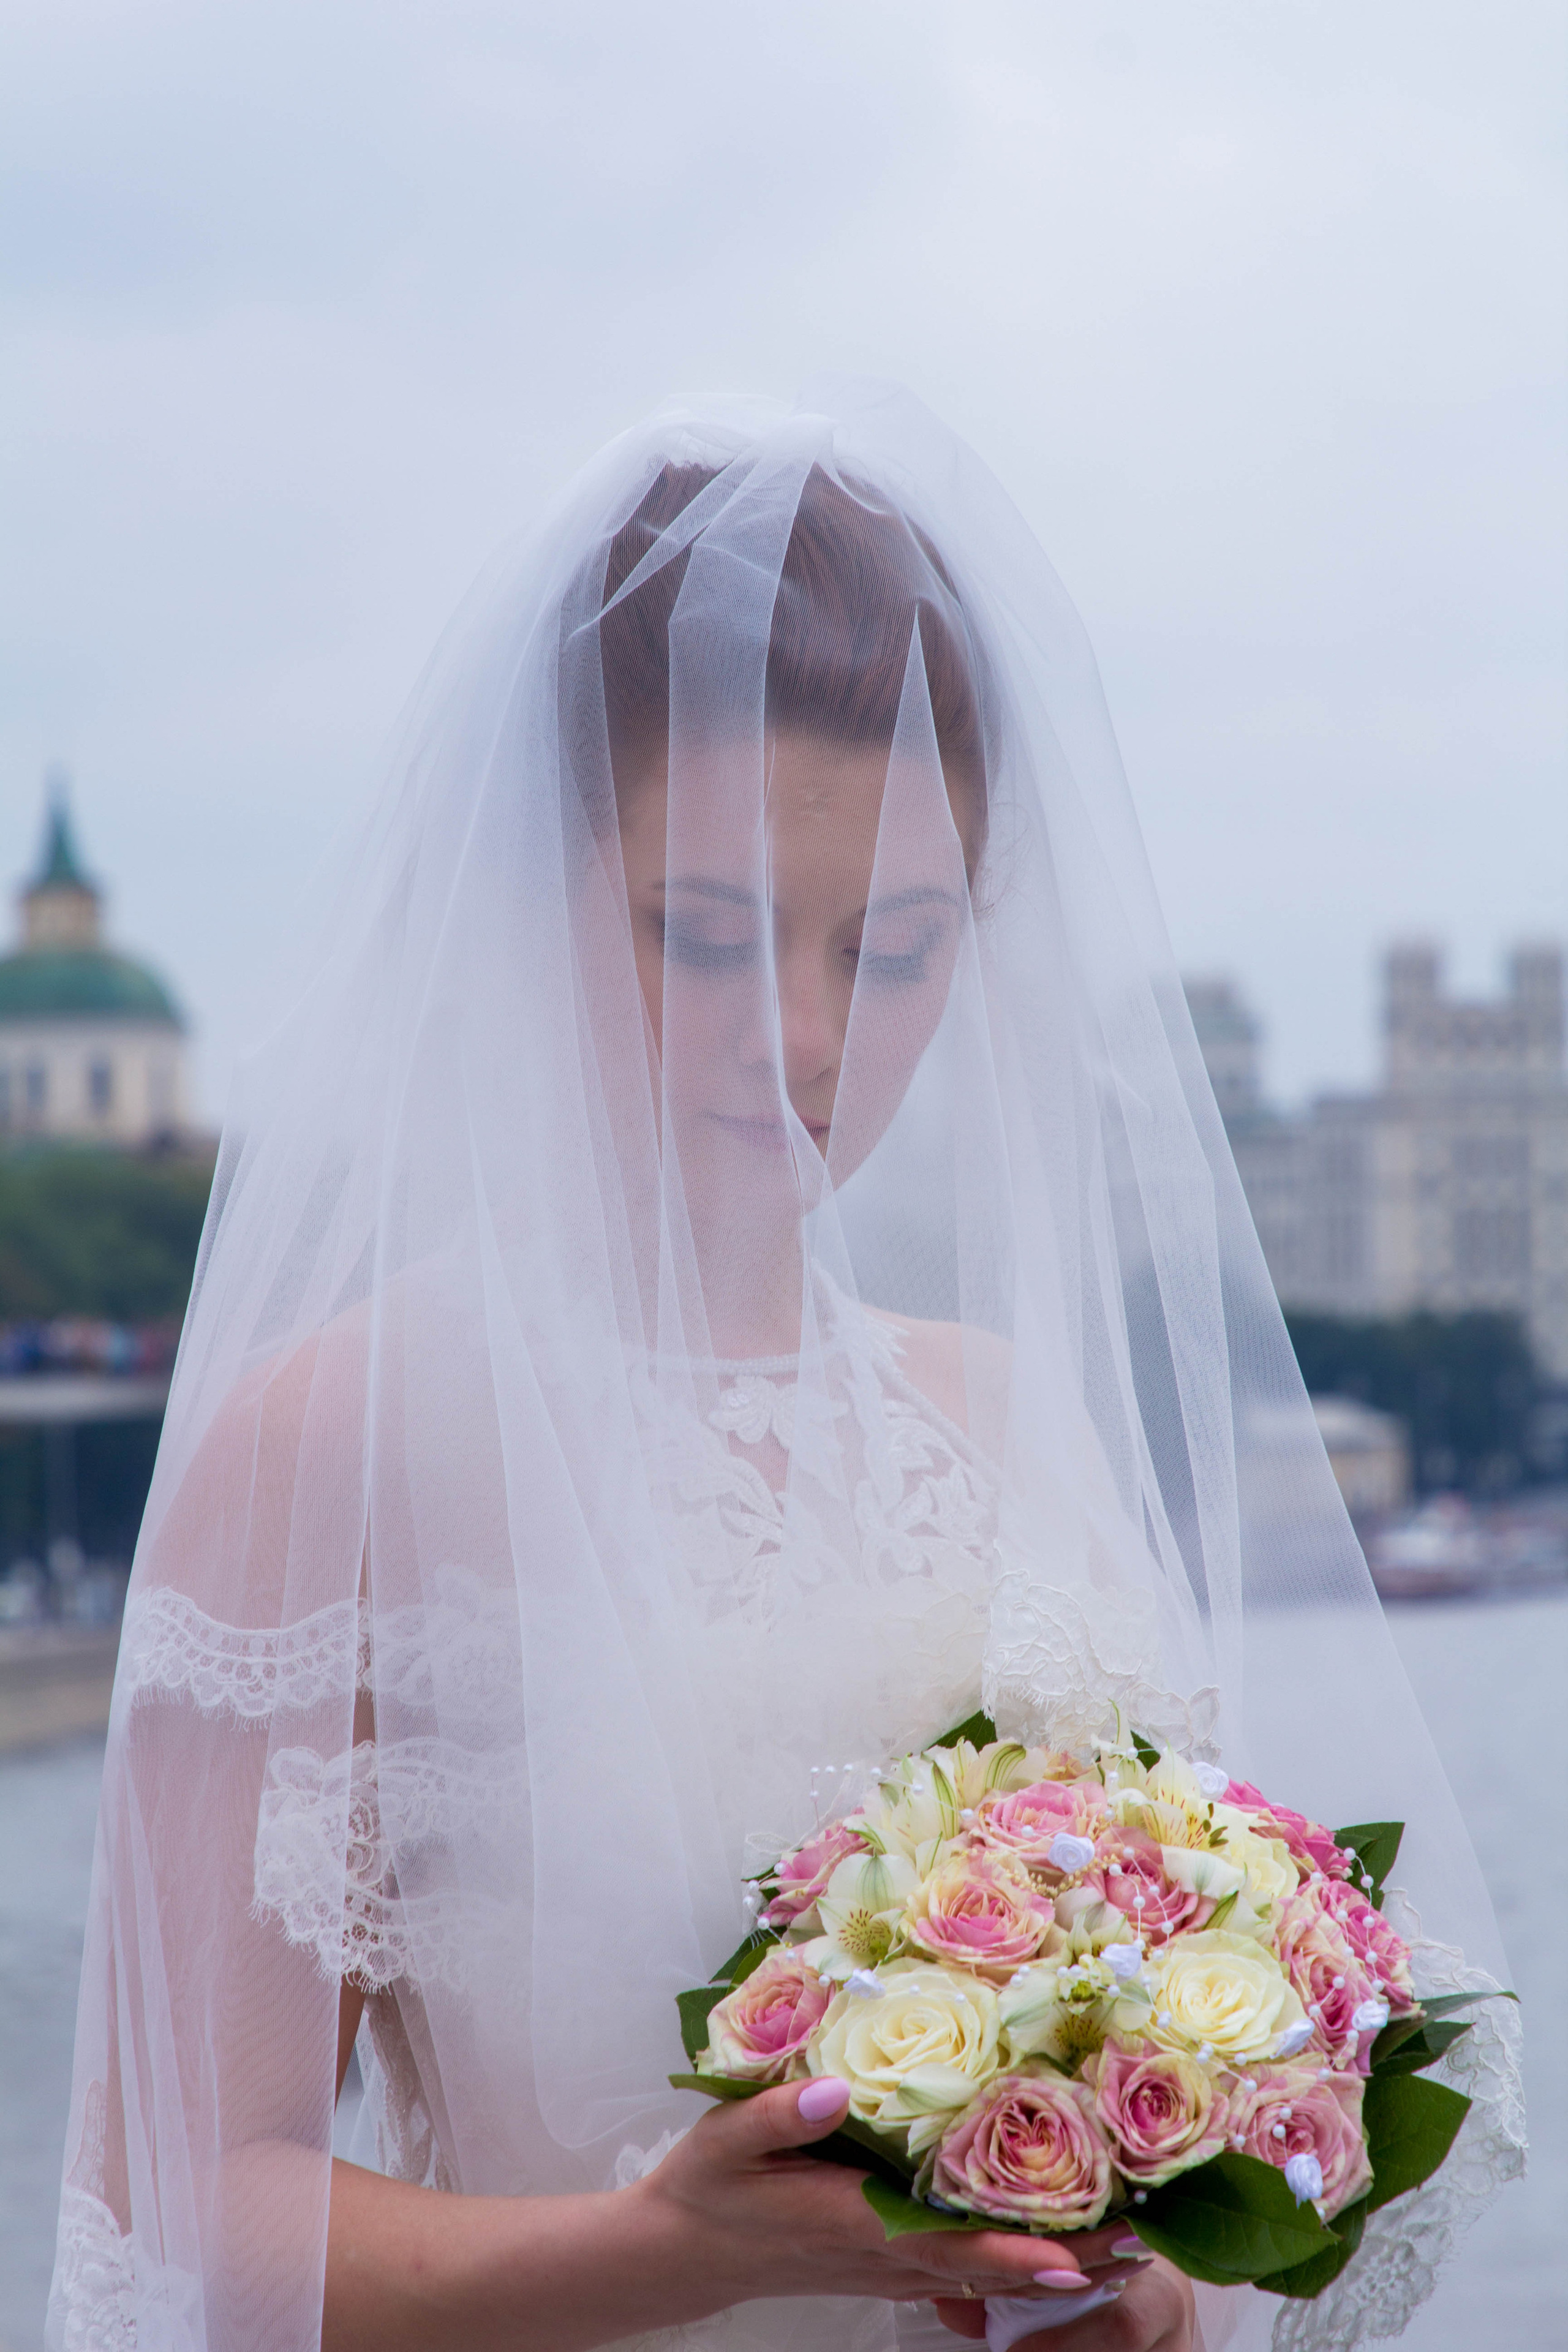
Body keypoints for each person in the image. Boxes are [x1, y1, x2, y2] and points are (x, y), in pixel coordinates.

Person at [50, 389, 1521, 2352]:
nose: (806, 1040)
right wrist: (691, 2252)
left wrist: (1140, 2280)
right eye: (708, 933)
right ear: (533, 889)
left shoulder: (996, 1410)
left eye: (894, 953)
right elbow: (181, 2210)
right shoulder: (336, 1442)